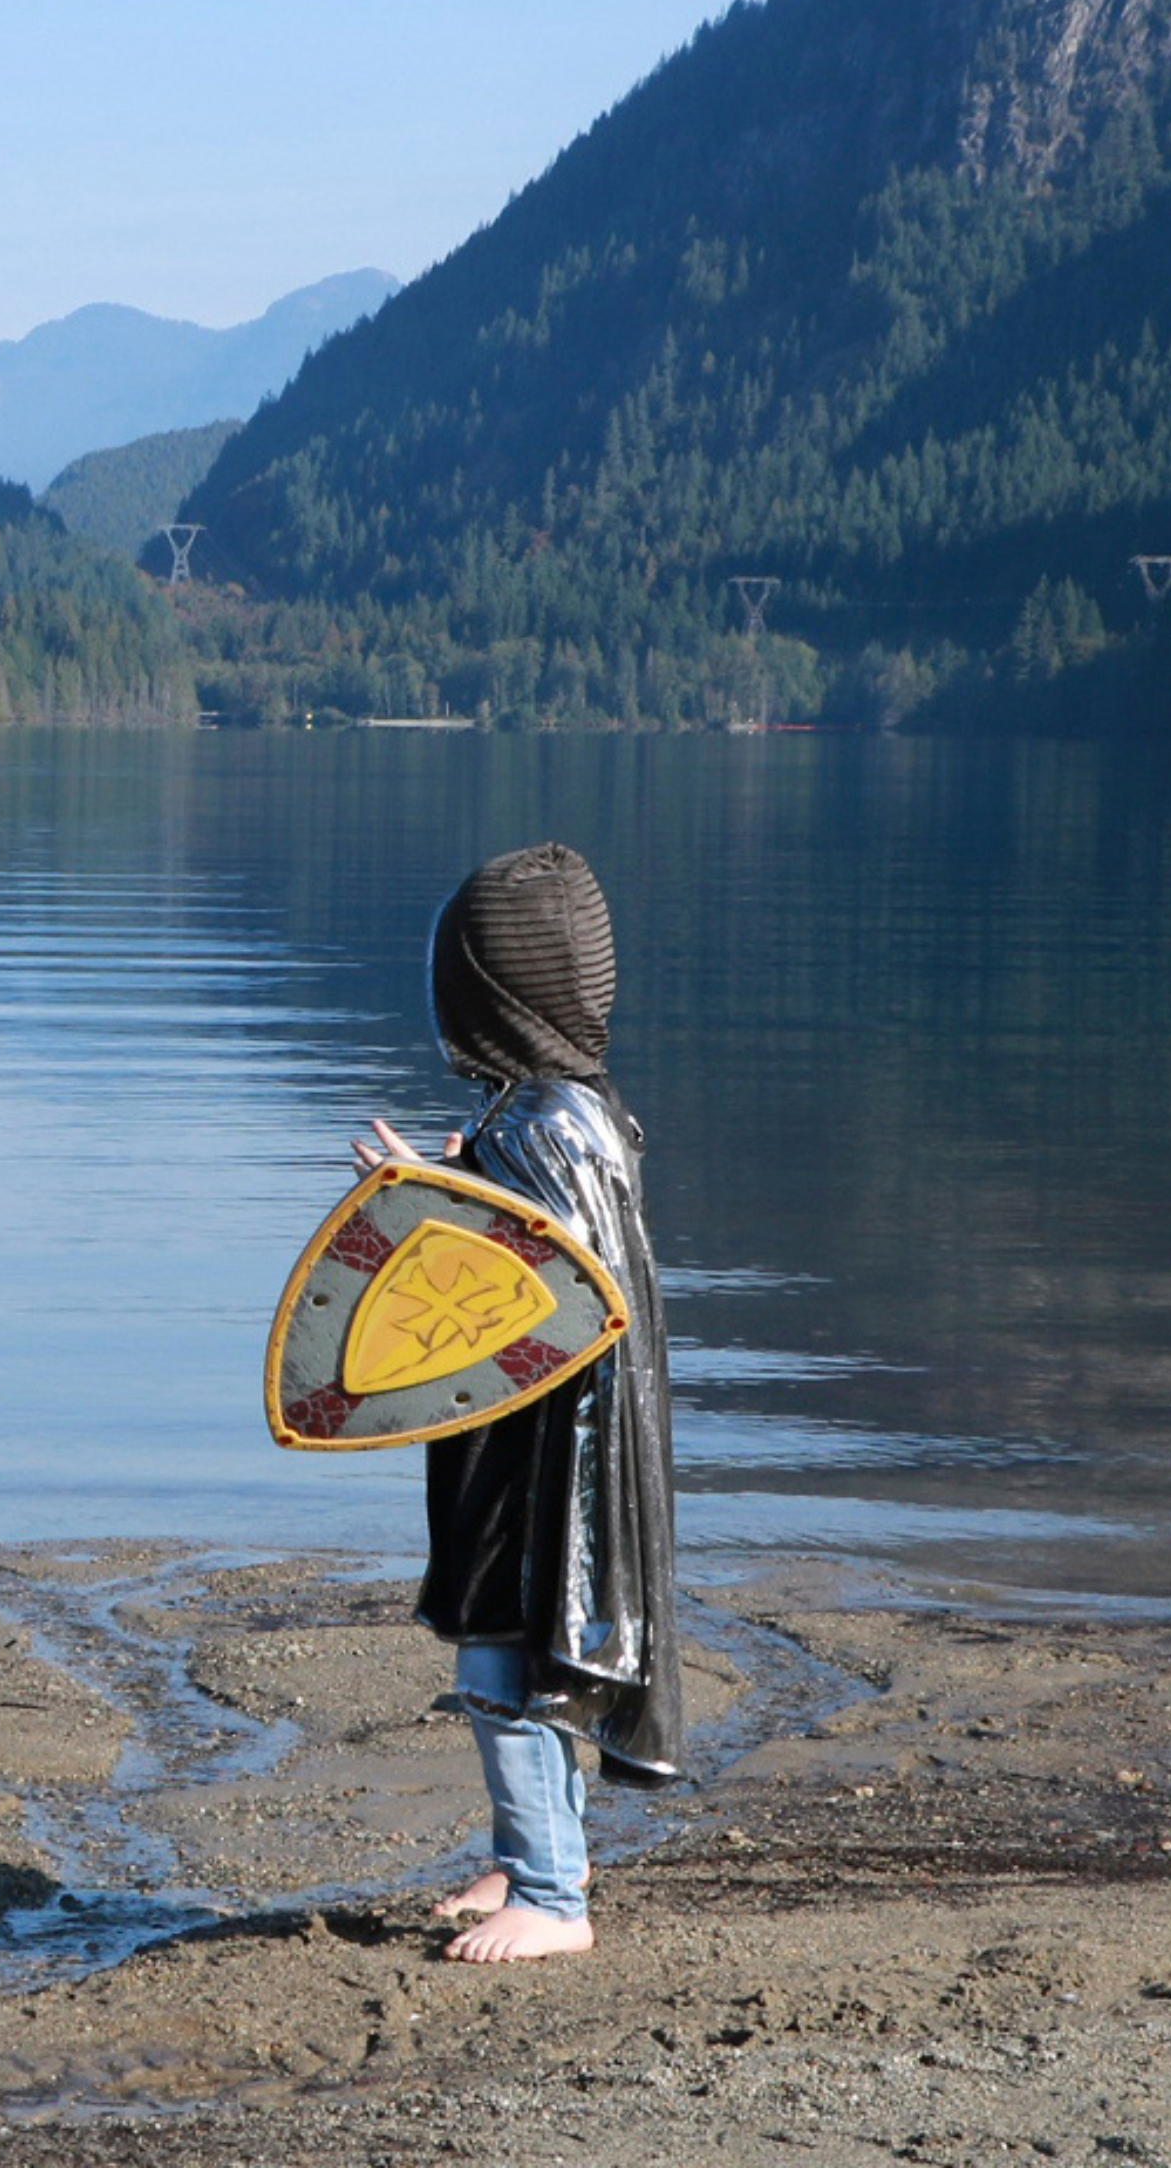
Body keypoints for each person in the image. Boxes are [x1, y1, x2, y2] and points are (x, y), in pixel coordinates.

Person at [353, 841, 681, 1963]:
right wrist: (452, 1184)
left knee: (506, 1648)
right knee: (525, 1641)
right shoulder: (573, 1112)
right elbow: (527, 1250)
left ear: (496, 994)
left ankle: (552, 1894)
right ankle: (535, 1855)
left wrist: (418, 1203)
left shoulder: (544, 1128)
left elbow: (540, 1293)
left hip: (548, 1461)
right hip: (541, 1441)